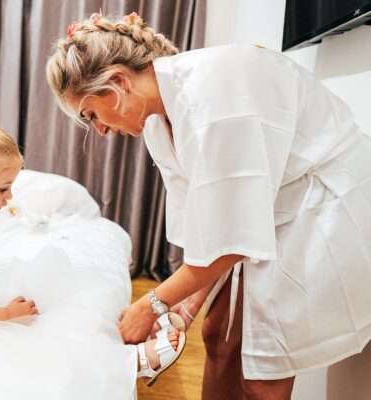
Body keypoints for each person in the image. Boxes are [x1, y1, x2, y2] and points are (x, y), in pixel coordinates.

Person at [46, 11, 371, 399]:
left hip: (320, 210)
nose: (99, 130)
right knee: (217, 334)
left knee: (265, 375)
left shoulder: (213, 97)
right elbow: (208, 228)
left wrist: (150, 305)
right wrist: (182, 304)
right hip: (267, 211)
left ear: (117, 82)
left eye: (91, 114)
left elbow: (231, 239)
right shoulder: (157, 121)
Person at [0, 115, 185, 399]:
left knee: (69, 310)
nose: (9, 197)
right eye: (3, 189)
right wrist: (4, 316)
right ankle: (132, 363)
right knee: (38, 355)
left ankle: (118, 342)